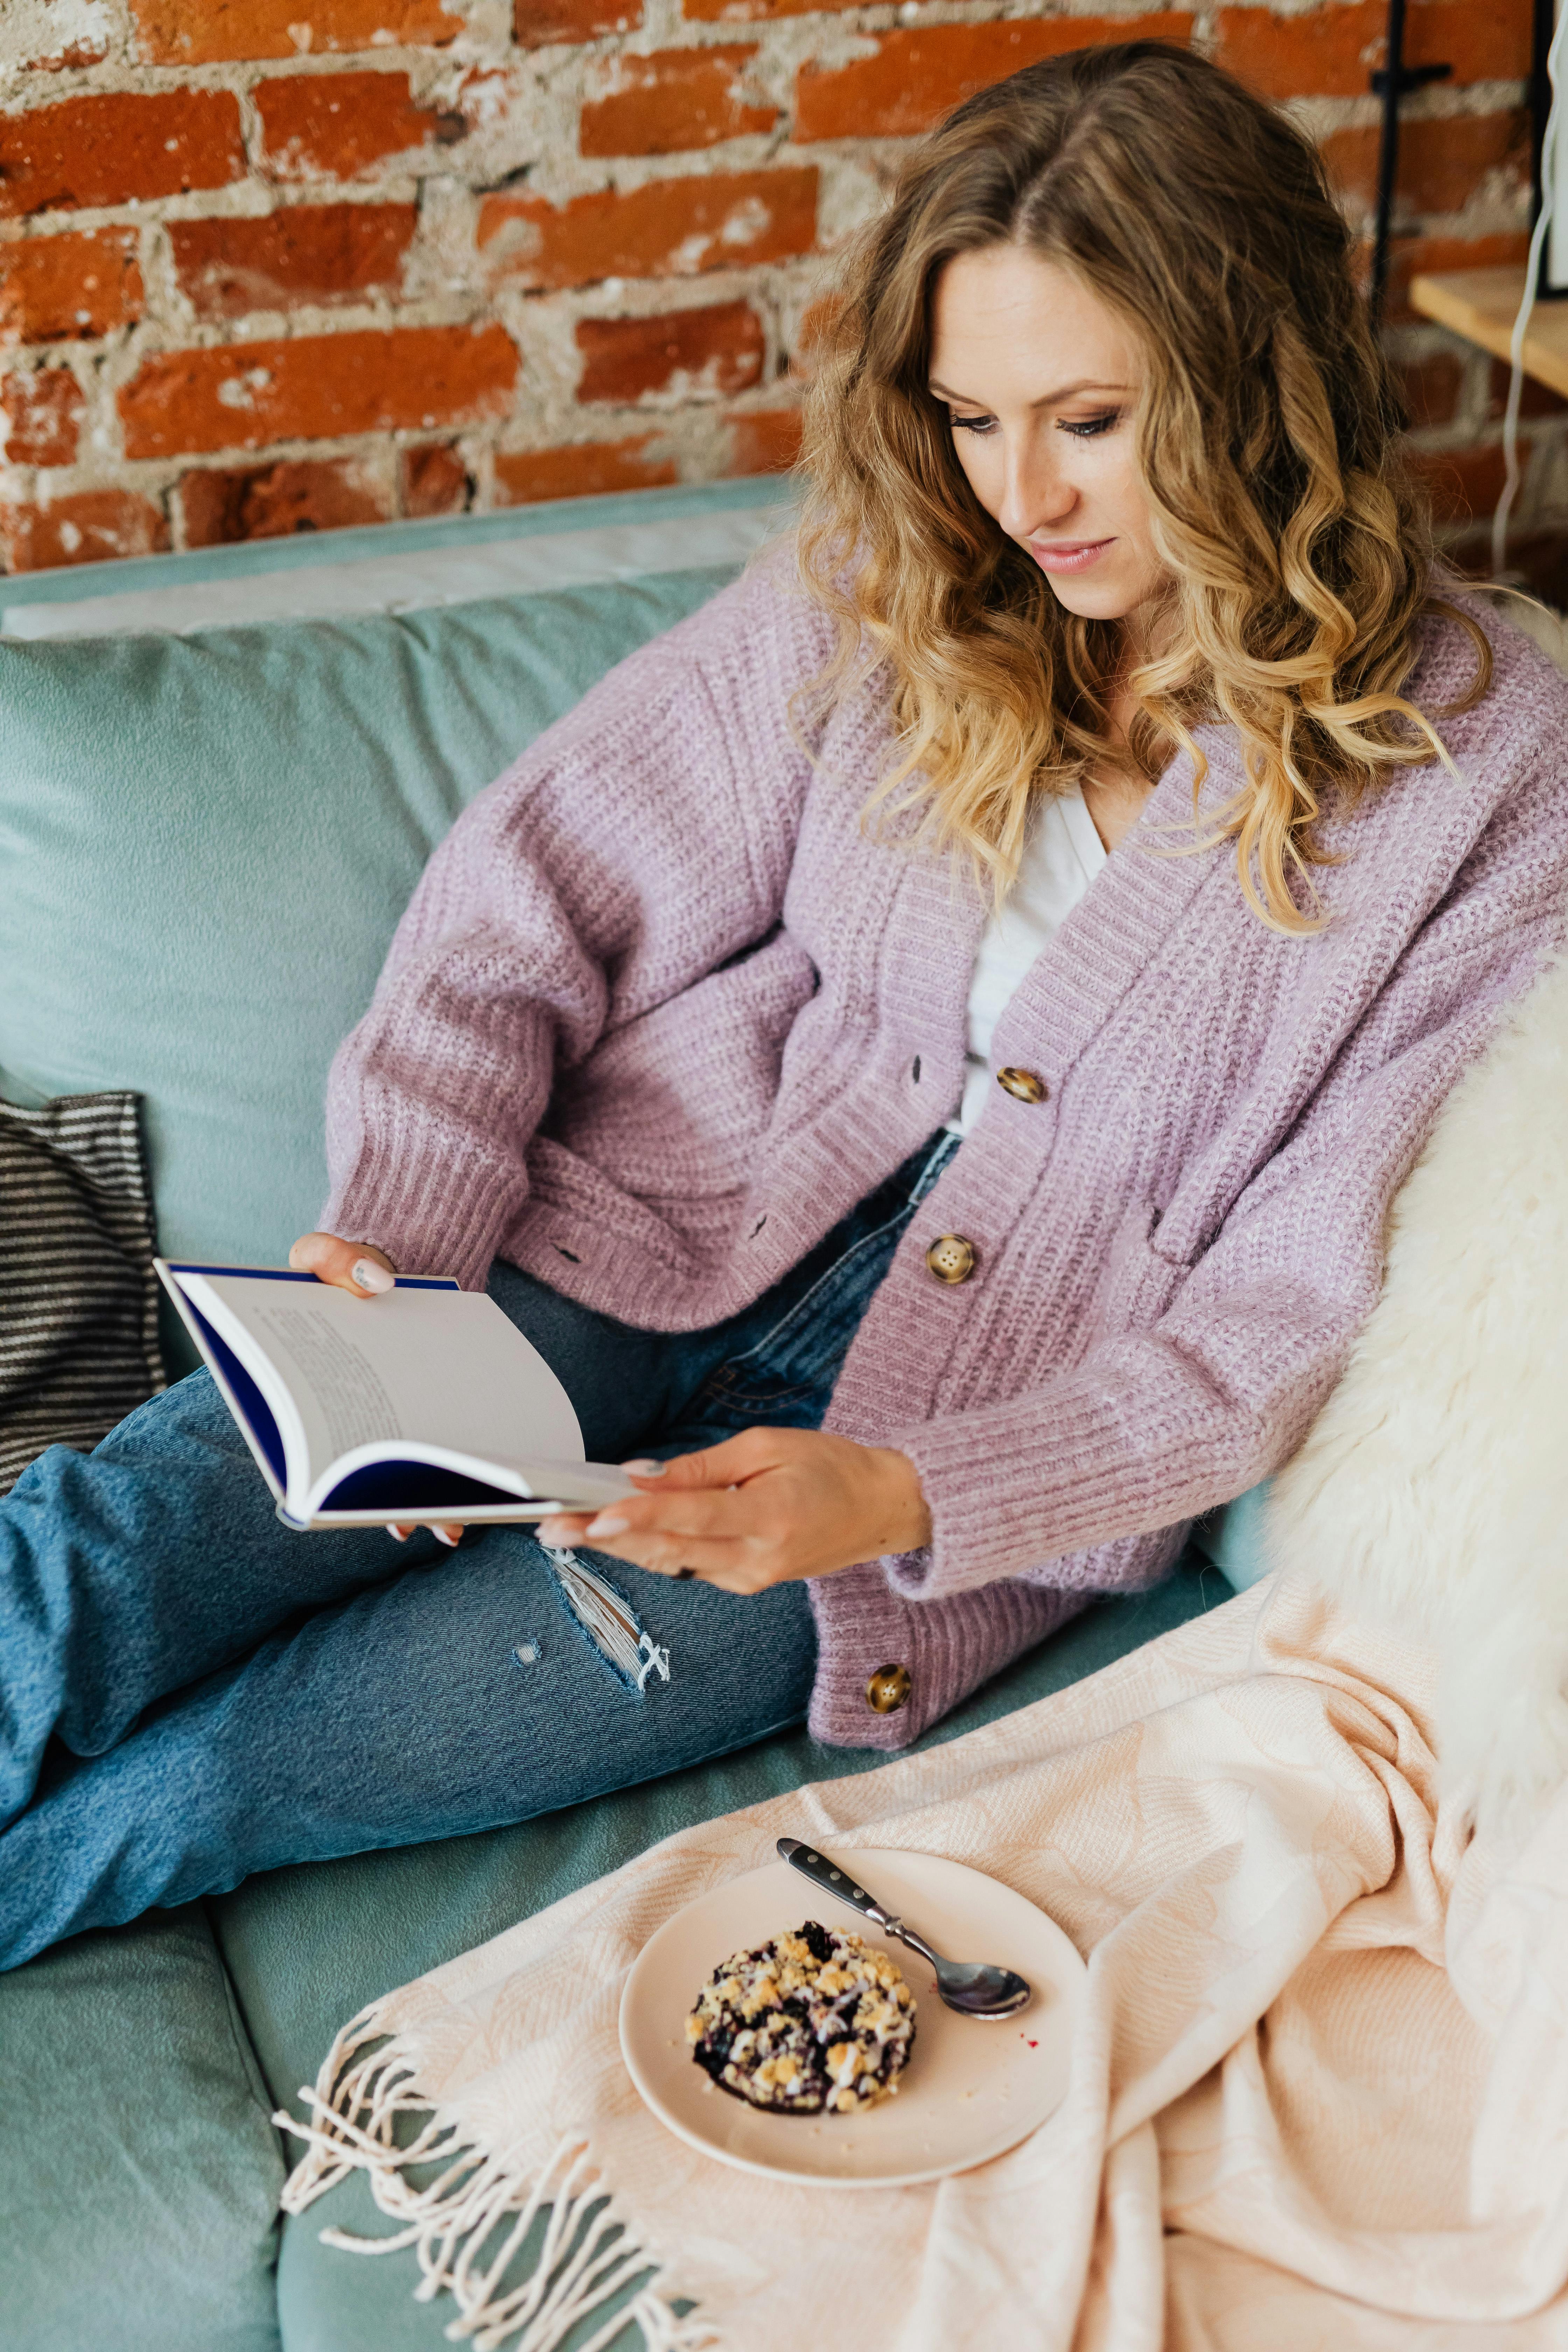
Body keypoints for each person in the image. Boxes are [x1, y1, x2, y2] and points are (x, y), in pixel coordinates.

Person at [4, 40, 1565, 1970]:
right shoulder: (889, 585)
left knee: (222, 1782)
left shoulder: (1485, 762)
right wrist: (410, 1228)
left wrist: (905, 1497)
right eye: (972, 418)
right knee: (85, 1570)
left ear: (1261, 382)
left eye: (1090, 420)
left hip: (920, 1459)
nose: (1024, 495)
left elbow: (1278, 1318)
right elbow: (536, 886)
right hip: (591, 1253)